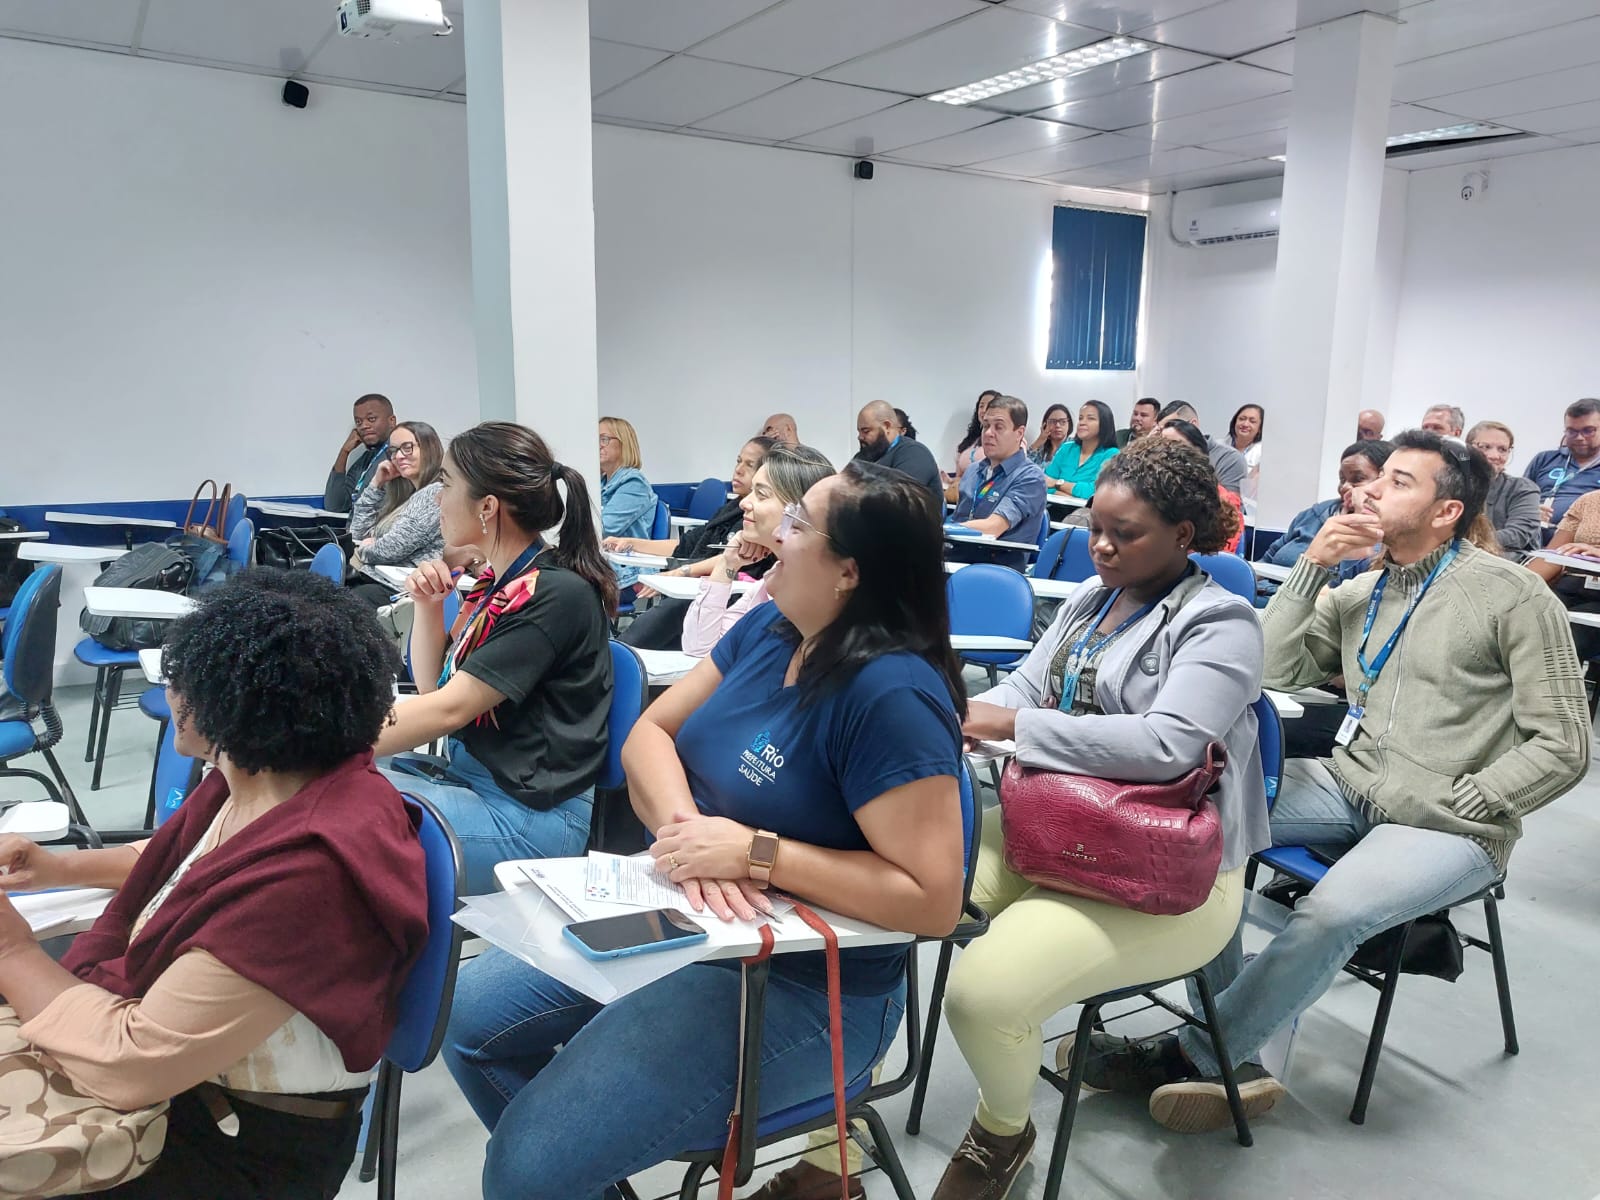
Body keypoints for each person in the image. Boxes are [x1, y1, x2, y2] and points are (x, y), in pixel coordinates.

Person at [442, 462, 968, 1200]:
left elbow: (932, 900)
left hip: (805, 987)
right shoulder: (772, 625)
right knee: (467, 1021)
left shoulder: (891, 694)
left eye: (797, 525)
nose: (775, 533)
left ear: (848, 571)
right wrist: (694, 837)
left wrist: (757, 855)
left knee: (525, 1167)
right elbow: (649, 734)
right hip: (688, 914)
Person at [1083, 431, 1588, 1136]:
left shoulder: (1508, 596)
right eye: (1378, 478)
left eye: (1400, 482)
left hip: (1448, 822)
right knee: (1210, 819)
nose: (1373, 490)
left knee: (1330, 911)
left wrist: (1477, 797)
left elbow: (1565, 742)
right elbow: (1263, 671)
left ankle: (1198, 1049)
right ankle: (1237, 1048)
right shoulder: (1361, 588)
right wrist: (1312, 568)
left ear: (1446, 512)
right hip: (1350, 785)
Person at [0, 569, 428, 1198]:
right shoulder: (274, 775)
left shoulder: (309, 877)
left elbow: (133, 1065)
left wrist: (12, 951)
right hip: (201, 1093)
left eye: (183, 679)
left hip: (240, 1147)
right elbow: (187, 861)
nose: (169, 690)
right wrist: (57, 867)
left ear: (236, 704)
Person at [918, 438, 1268, 1199]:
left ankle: (1000, 1136)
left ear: (1183, 535)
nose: (1101, 546)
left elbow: (1170, 747)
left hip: (1167, 876)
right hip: (1046, 832)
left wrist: (1010, 728)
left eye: (1126, 533)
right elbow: (1023, 688)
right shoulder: (1091, 598)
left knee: (985, 994)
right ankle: (826, 1135)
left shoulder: (1222, 623)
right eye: (1094, 528)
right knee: (886, 903)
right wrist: (949, 716)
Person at [376, 421, 616, 896]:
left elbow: (447, 710)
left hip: (529, 822)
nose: (436, 498)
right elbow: (432, 689)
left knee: (331, 809)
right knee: (324, 793)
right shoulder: (495, 585)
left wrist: (318, 741)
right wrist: (428, 607)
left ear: (487, 507)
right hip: (477, 785)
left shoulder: (553, 594)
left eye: (445, 484)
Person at [614, 438, 774, 651]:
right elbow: (685, 545)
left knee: (655, 630)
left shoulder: (755, 522)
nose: (738, 470)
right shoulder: (731, 509)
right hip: (696, 595)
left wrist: (683, 571)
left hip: (719, 597)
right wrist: (633, 543)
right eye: (738, 461)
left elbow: (735, 557)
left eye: (749, 465)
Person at [682, 443, 835, 657]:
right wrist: (727, 564)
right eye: (751, 491)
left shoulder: (815, 593)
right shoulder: (766, 585)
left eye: (761, 494)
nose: (745, 503)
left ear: (799, 510)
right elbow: (699, 648)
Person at [1258, 440, 1393, 584]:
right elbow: (1267, 559)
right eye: (1342, 479)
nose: (1345, 487)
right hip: (1262, 595)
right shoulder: (1315, 513)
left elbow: (1348, 589)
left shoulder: (1384, 533)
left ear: (1383, 481)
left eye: (1358, 479)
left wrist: (1361, 514)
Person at [347, 420, 446, 603]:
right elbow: (356, 534)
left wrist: (366, 548)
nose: (399, 456)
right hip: (374, 578)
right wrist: (376, 484)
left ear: (428, 449)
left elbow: (390, 550)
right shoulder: (406, 496)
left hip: (400, 591)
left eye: (407, 448)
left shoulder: (434, 493)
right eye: (393, 451)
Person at [950, 396, 1049, 572]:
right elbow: (959, 518)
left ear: (1019, 433)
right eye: (986, 425)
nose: (988, 433)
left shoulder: (1030, 477)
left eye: (999, 427)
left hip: (996, 570)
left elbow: (993, 527)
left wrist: (940, 529)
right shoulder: (973, 471)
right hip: (956, 559)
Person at [1158, 420, 1243, 553]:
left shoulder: (1223, 502)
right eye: (1159, 446)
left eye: (1174, 447)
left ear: (1198, 454)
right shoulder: (1151, 496)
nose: (1164, 454)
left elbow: (1217, 557)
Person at [853, 400, 943, 518]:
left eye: (866, 431)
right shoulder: (864, 455)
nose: (860, 437)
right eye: (859, 431)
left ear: (886, 426)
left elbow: (898, 499)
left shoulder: (914, 453)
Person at [1466, 420, 1541, 556]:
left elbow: (1518, 534)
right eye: (1484, 447)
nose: (1494, 456)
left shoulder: (1522, 488)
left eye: (1502, 450)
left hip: (1504, 559)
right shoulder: (1451, 484)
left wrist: (1465, 542)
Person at [599, 416, 656, 593]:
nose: (598, 444)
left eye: (604, 439)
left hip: (626, 574)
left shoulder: (634, 483)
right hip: (606, 564)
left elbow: (604, 527)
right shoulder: (601, 482)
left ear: (624, 444)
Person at [1524, 398, 1600, 524]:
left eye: (1588, 431)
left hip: (1583, 538)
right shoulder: (1544, 459)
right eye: (1572, 431)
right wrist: (1529, 511)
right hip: (1532, 533)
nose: (1579, 438)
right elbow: (1517, 499)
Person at [324, 393, 396, 514]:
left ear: (392, 421)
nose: (364, 426)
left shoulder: (401, 456)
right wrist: (344, 451)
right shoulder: (366, 459)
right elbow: (335, 505)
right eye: (358, 422)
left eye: (371, 419)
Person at [1157, 402, 1247, 493]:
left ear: (1193, 424)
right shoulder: (1161, 454)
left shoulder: (1230, 458)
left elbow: (1231, 504)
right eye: (1161, 430)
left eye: (1175, 425)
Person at [1044, 400, 1120, 500]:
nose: (1082, 423)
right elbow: (1044, 483)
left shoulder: (1111, 454)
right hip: (1054, 507)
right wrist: (1070, 497)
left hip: (1087, 513)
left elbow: (1096, 491)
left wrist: (1057, 483)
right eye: (1081, 418)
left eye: (1090, 418)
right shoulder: (1067, 448)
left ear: (1104, 424)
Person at [949, 389, 1000, 485]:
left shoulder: (1007, 441)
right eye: (981, 406)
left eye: (989, 405)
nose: (984, 410)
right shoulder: (970, 441)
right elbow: (959, 477)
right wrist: (950, 481)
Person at [1228, 404, 1264, 514]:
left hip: (1245, 512)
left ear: (1259, 428)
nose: (1245, 424)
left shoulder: (1263, 453)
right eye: (1242, 419)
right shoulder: (1219, 446)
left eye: (1252, 421)